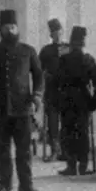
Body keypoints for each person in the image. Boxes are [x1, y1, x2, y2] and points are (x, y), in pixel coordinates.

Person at [0, 9, 44, 191]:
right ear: (0, 30)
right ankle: (4, 184)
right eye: (7, 27)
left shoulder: (28, 51)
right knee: (2, 150)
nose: (11, 31)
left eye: (13, 27)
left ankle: (26, 185)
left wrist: (36, 97)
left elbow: (39, 77)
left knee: (24, 151)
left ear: (18, 28)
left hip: (22, 109)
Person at [55, 25, 96, 177]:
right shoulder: (88, 60)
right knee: (82, 133)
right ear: (83, 42)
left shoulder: (63, 59)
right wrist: (93, 103)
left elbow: (56, 81)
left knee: (68, 131)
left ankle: (71, 165)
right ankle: (83, 166)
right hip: (83, 100)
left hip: (66, 100)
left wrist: (58, 100)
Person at [38, 19, 69, 161]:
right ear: (51, 34)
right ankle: (55, 150)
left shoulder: (68, 48)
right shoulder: (46, 50)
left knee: (67, 120)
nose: (57, 35)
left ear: (62, 32)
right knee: (52, 121)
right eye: (54, 32)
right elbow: (39, 71)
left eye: (59, 32)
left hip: (66, 90)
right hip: (51, 91)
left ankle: (65, 150)